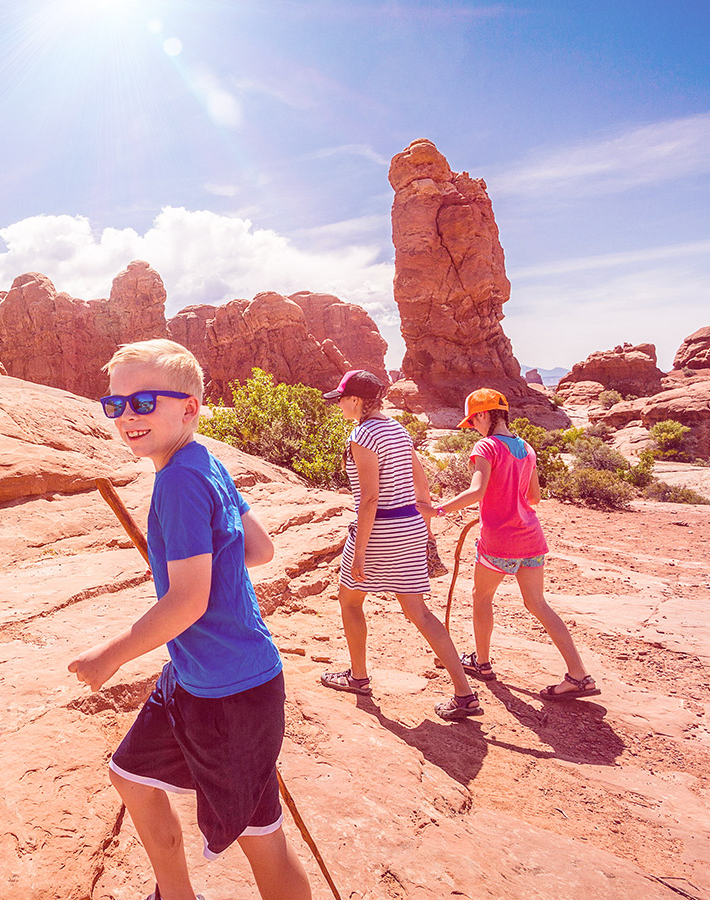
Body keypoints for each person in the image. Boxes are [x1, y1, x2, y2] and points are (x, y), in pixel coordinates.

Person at [69, 339, 313, 900]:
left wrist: (109, 656)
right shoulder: (204, 461)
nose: (128, 415)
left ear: (190, 407)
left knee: (261, 838)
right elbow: (259, 548)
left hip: (230, 692)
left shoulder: (179, 480)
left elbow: (187, 603)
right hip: (197, 677)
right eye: (116, 405)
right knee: (130, 775)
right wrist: (211, 555)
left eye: (144, 401)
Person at [318, 369, 482, 720]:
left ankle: (358, 677)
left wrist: (359, 551)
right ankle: (464, 693)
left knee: (349, 600)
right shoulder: (398, 429)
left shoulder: (362, 435)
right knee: (419, 612)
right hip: (408, 527)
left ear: (357, 401)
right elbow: (420, 480)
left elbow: (369, 499)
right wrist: (427, 528)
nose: (340, 406)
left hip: (379, 530)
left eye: (342, 399)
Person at [429, 389, 599, 700]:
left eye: (473, 421)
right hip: (531, 537)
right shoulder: (526, 447)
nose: (473, 428)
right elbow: (533, 497)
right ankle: (578, 675)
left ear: (483, 415)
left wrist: (437, 509)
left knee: (481, 597)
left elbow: (476, 492)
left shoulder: (486, 446)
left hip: (499, 541)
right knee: (537, 604)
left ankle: (482, 663)